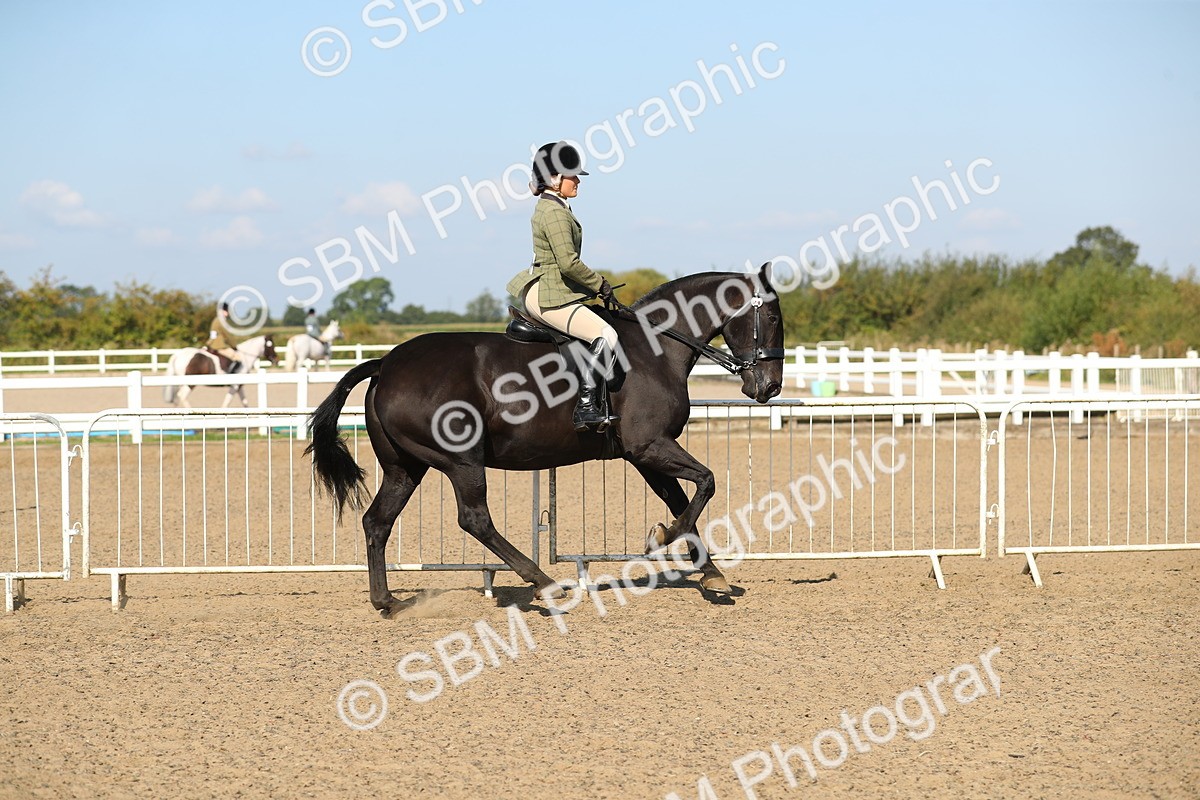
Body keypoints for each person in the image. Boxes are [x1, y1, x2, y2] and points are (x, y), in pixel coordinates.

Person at [505, 141, 620, 432]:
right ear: (555, 178)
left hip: (549, 288)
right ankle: (585, 407)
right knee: (606, 334)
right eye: (573, 176)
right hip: (548, 293)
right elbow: (568, 263)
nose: (578, 180)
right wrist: (600, 283)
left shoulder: (553, 205)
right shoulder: (554, 212)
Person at [207, 302, 244, 373]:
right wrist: (234, 346)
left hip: (212, 345)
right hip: (220, 346)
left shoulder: (215, 320)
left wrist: (208, 344)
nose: (228, 313)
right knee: (238, 357)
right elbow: (228, 336)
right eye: (227, 311)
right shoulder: (222, 321)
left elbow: (213, 335)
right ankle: (230, 375)